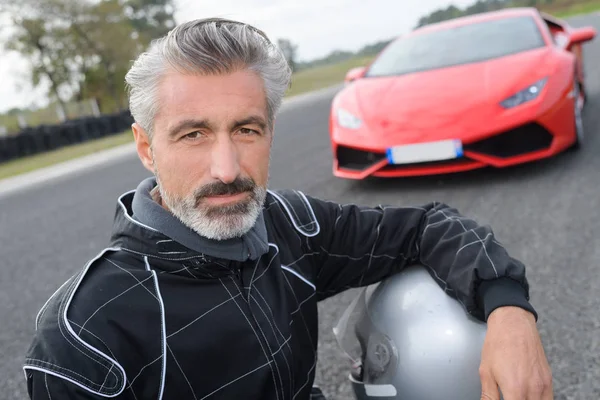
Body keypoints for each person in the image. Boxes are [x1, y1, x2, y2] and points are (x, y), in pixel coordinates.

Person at [23, 17, 553, 400]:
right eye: (193, 134)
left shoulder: (289, 226)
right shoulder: (86, 331)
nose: (227, 168)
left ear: (270, 133)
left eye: (246, 130)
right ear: (146, 147)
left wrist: (507, 311)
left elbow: (427, 227)